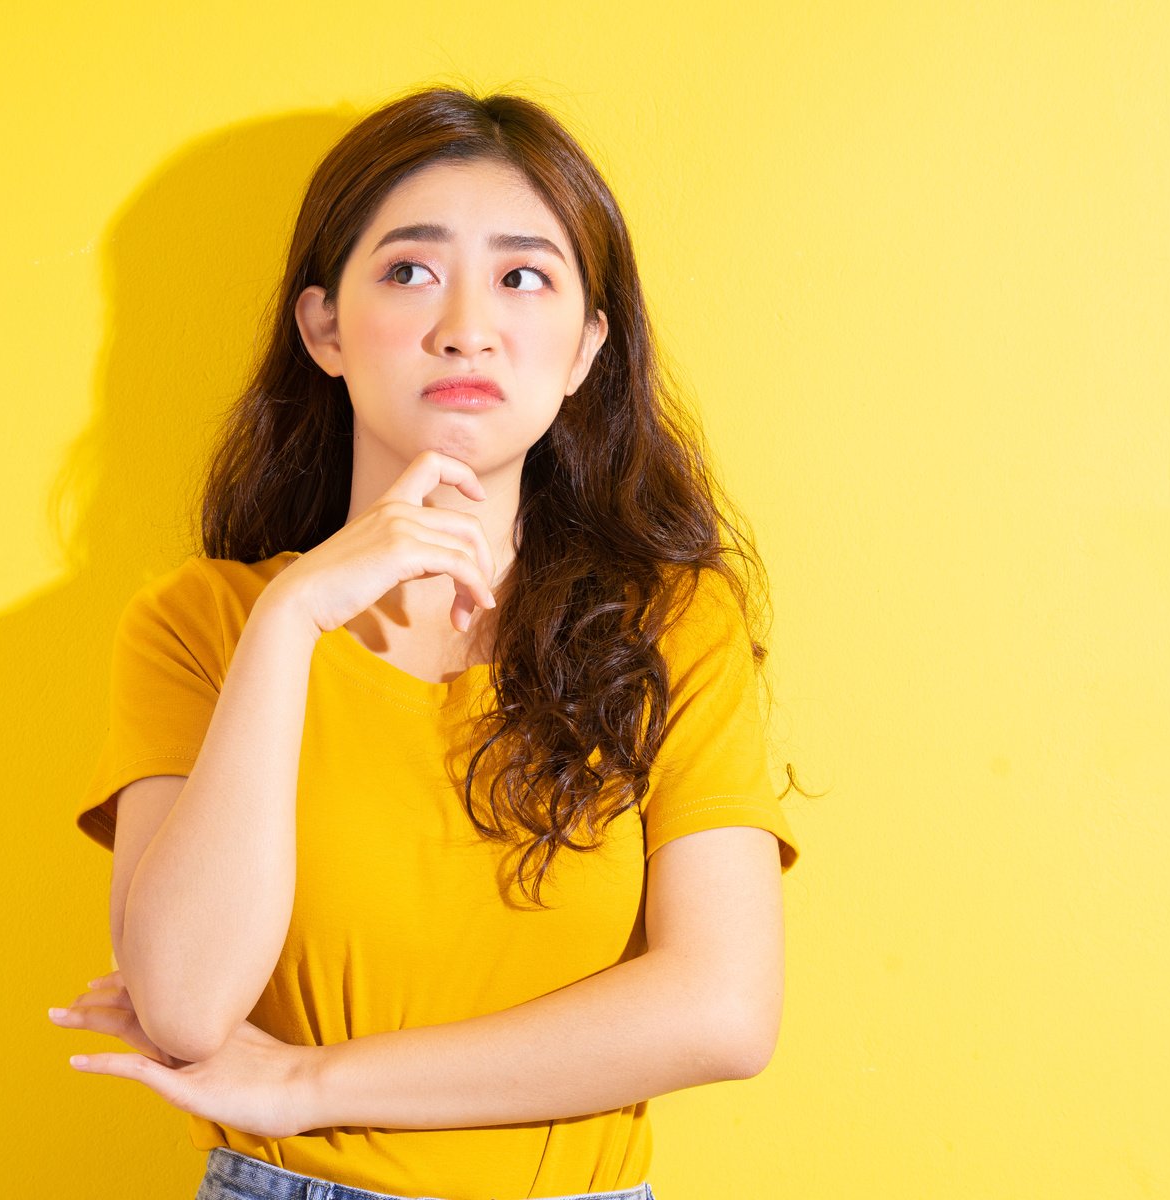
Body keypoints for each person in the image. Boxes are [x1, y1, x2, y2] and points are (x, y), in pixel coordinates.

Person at [49, 83, 804, 1200]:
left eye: (523, 276)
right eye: (409, 271)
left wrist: (311, 1083)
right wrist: (293, 618)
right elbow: (184, 1006)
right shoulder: (203, 624)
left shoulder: (672, 623)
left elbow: (724, 1011)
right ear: (324, 327)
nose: (466, 324)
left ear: (587, 345)